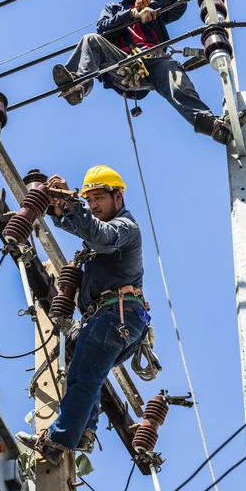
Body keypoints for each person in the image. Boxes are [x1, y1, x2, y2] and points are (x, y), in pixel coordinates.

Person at [16, 165, 150, 465]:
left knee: (83, 377)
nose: (94, 205)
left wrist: (72, 202)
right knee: (91, 375)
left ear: (118, 197)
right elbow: (81, 227)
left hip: (115, 315)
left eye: (99, 198)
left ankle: (57, 440)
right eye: (90, 200)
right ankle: (85, 433)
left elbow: (98, 235)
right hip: (123, 320)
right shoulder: (103, 226)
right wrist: (55, 207)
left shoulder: (125, 227)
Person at [52, 0, 246, 145]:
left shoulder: (155, 7)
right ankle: (77, 86)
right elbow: (102, 29)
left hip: (155, 62)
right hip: (125, 64)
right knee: (91, 40)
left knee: (175, 78)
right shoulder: (113, 9)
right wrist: (132, 15)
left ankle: (212, 126)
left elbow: (179, 6)